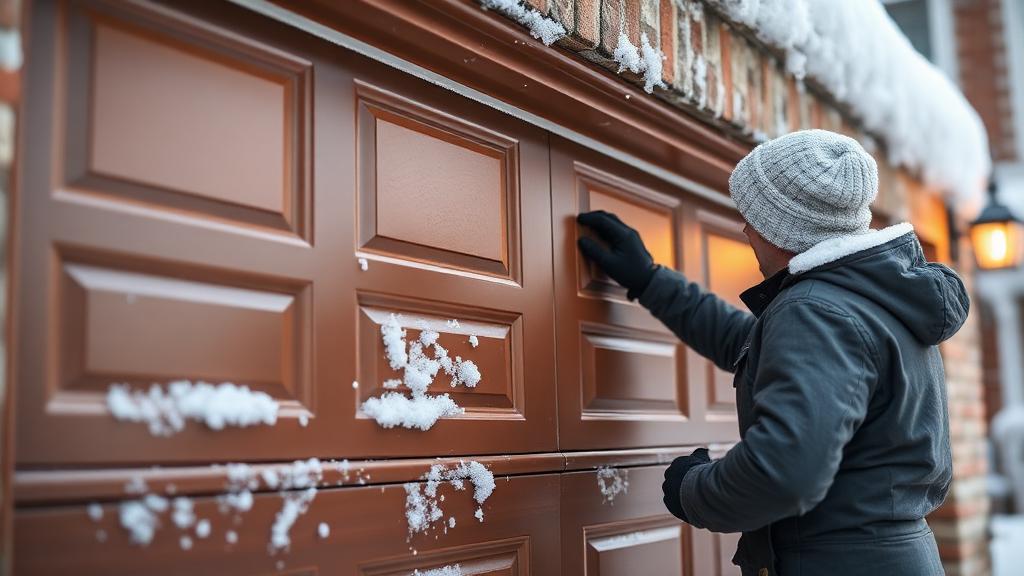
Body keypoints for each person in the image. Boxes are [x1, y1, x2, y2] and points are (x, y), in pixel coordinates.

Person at [577, 129, 969, 576]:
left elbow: (784, 472)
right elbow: (751, 344)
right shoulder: (870, 299)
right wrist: (649, 281)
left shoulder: (817, 311)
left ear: (782, 228)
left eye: (751, 216)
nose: (745, 229)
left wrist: (694, 489)